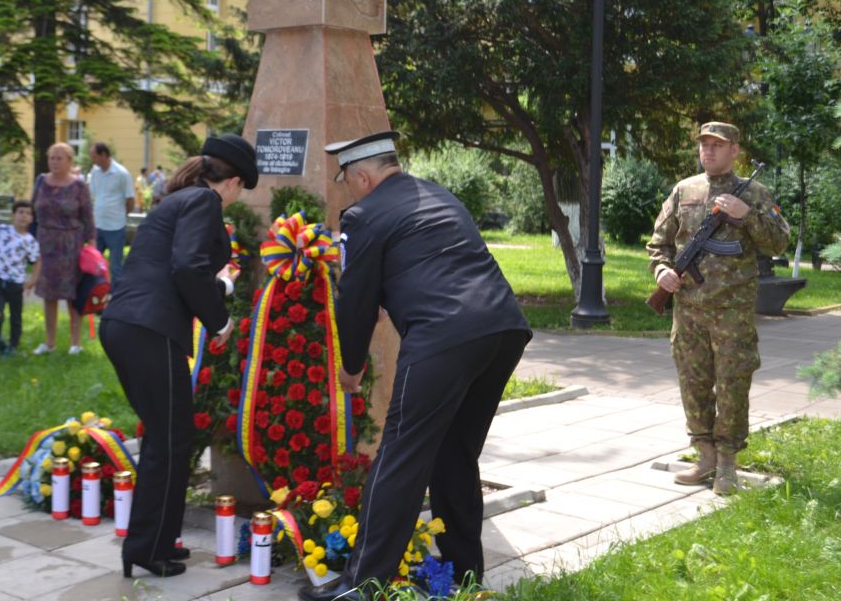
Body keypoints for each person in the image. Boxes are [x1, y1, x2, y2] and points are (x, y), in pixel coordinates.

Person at [300, 131, 532, 601]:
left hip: (444, 336)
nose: (349, 191)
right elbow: (431, 264)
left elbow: (354, 303)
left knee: (400, 458)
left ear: (363, 177)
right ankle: (465, 572)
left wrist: (351, 367)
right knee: (454, 454)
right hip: (503, 328)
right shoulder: (438, 195)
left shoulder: (363, 215)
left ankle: (360, 586)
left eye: (346, 181)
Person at [99, 134, 258, 579]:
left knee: (166, 438)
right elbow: (187, 267)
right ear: (233, 182)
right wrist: (220, 322)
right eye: (241, 189)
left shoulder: (178, 200)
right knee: (170, 441)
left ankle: (158, 540)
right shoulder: (204, 201)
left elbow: (176, 269)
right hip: (150, 330)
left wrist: (220, 287)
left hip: (127, 324)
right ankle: (147, 547)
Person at [647, 122, 791, 495]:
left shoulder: (755, 193)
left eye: (717, 145)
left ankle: (727, 463)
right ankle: (705, 457)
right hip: (689, 311)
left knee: (732, 384)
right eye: (704, 145)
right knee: (693, 383)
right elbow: (659, 243)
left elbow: (778, 243)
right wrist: (662, 271)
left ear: (734, 150)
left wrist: (747, 215)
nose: (708, 151)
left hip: (733, 312)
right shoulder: (684, 190)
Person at [32, 142, 94, 356]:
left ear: (69, 161)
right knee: (48, 294)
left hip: (71, 245)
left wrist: (92, 247)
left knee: (72, 294)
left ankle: (75, 343)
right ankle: (49, 342)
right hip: (45, 244)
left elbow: (88, 218)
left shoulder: (79, 186)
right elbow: (32, 211)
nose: (55, 162)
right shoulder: (41, 181)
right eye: (52, 158)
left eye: (59, 158)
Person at [0, 200, 41, 357]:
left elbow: (37, 261)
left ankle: (13, 346)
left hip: (15, 284)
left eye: (28, 213)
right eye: (20, 212)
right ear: (13, 215)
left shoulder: (30, 241)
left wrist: (33, 280)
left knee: (16, 317)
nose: (24, 216)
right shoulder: (2, 230)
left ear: (32, 219)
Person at [86, 141, 135, 285]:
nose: (92, 160)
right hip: (98, 224)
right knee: (94, 263)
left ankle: (116, 295)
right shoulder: (95, 172)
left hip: (115, 226)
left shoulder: (121, 173)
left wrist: (122, 215)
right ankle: (96, 293)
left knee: (115, 266)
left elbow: (130, 199)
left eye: (94, 157)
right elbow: (92, 193)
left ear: (103, 155)